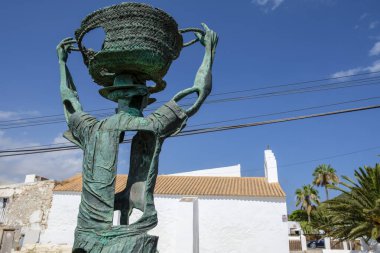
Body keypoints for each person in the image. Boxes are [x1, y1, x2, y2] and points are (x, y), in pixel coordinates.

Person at [57, 24, 218, 252]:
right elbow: (199, 91)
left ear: (115, 97)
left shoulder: (91, 128)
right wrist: (209, 52)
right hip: (134, 237)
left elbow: (69, 101)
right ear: (143, 98)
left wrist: (62, 63)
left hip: (87, 236)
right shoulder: (154, 125)